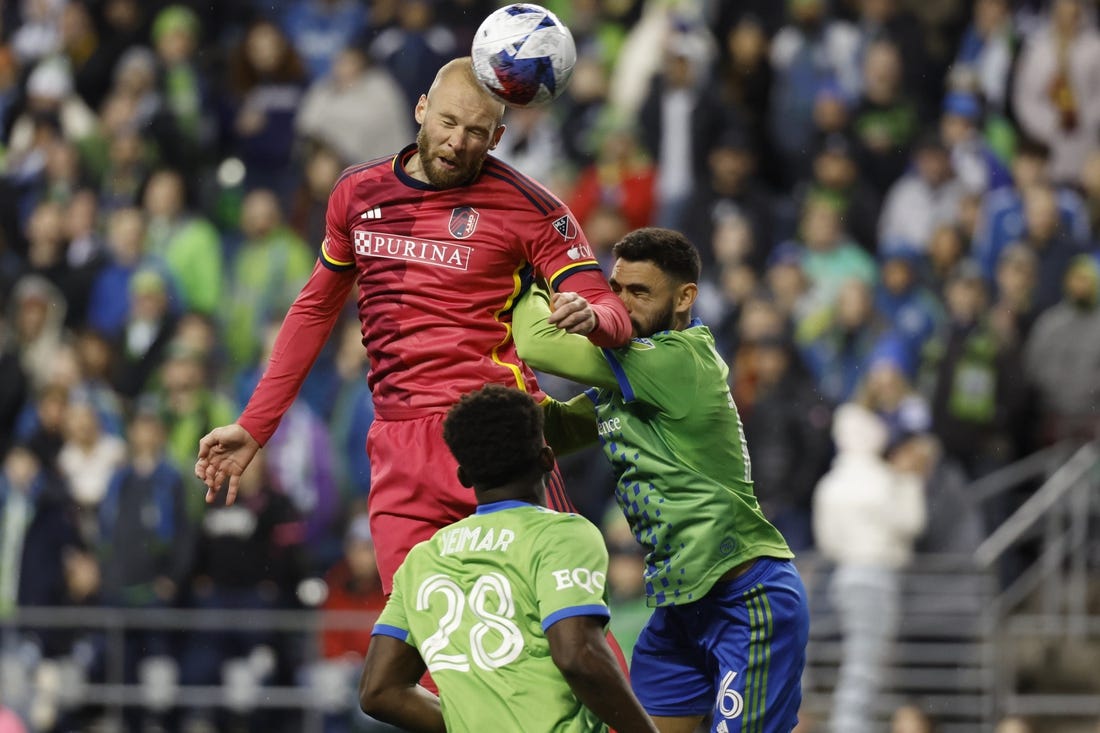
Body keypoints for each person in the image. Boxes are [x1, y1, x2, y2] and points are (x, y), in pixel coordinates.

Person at [194, 57, 632, 593]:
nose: (457, 142)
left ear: (496, 137)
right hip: (399, 449)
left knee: (562, 628)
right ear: (421, 109)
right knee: (418, 647)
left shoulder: (534, 208)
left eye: (476, 132)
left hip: (496, 433)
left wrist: (594, 318)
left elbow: (608, 307)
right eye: (448, 122)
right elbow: (313, 311)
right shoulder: (357, 194)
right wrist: (256, 425)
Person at [512, 228, 809, 732]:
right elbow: (551, 432)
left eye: (640, 292)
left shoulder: (680, 360)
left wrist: (518, 274)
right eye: (615, 289)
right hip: (680, 609)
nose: (621, 305)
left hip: (747, 598)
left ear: (684, 297)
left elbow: (538, 344)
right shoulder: (624, 383)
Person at [358, 384, 658, 733]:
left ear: (464, 477)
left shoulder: (422, 559)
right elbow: (578, 655)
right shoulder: (562, 536)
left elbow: (378, 690)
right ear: (548, 458)